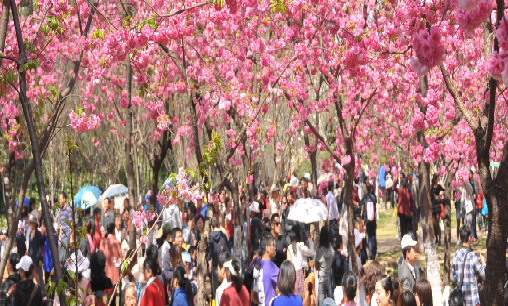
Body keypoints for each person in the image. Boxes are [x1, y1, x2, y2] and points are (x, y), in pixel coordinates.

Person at [452, 226, 485, 306]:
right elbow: (484, 275)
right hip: (472, 301)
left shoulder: (456, 255)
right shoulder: (472, 256)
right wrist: (483, 263)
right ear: (469, 238)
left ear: (460, 238)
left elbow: (454, 278)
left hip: (460, 302)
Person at [287, 224, 315, 299]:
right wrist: (309, 239)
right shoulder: (300, 246)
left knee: (292, 297)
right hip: (299, 274)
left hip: (291, 274)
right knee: (300, 298)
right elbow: (312, 252)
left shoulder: (289, 247)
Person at [254, 233, 279, 306]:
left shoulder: (256, 267)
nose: (275, 248)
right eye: (273, 245)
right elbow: (282, 284)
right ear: (267, 248)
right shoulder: (272, 267)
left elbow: (253, 296)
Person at [208, 217, 230, 298]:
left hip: (215, 268)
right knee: (225, 293)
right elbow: (228, 253)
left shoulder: (210, 238)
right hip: (224, 269)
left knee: (215, 293)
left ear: (211, 227)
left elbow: (209, 256)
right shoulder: (224, 237)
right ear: (218, 225)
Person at [315, 225, 333, 306]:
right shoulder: (331, 248)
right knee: (331, 302)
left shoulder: (319, 250)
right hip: (329, 278)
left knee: (320, 302)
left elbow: (316, 264)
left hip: (322, 279)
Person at [361, 184, 378, 260]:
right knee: (373, 236)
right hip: (373, 220)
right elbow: (375, 209)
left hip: (367, 220)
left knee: (369, 237)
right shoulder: (374, 197)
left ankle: (371, 254)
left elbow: (359, 204)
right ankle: (374, 253)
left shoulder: (365, 197)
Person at [58, 191, 72, 265]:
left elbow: (71, 224)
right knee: (60, 257)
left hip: (67, 236)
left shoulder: (68, 209)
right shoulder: (61, 211)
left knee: (64, 257)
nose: (60, 201)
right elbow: (61, 225)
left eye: (60, 199)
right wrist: (60, 236)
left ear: (65, 199)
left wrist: (71, 237)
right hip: (62, 237)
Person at [430, 174, 445, 245]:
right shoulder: (431, 187)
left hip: (437, 204)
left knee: (437, 221)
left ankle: (439, 239)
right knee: (433, 223)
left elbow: (444, 190)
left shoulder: (439, 187)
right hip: (433, 204)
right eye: (437, 179)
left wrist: (441, 184)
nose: (438, 180)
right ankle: (435, 238)